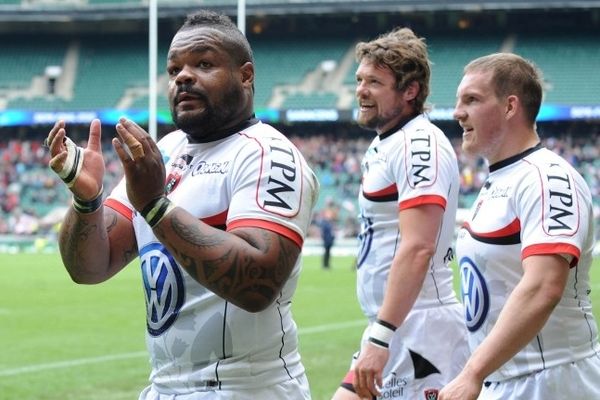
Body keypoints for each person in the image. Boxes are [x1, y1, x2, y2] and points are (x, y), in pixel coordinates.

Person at [45, 10, 318, 400]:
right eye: (174, 70)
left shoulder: (269, 155)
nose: (183, 77)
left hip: (246, 388)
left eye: (203, 64)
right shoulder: (166, 151)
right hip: (166, 387)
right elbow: (89, 268)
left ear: (245, 75)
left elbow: (257, 285)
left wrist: (156, 207)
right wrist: (86, 200)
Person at [439, 53, 600, 399]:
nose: (457, 112)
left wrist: (472, 373)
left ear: (510, 106)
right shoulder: (500, 179)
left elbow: (544, 286)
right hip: (506, 378)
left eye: (471, 100)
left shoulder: (547, 179)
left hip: (551, 380)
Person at [332, 27, 469, 400]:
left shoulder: (418, 143)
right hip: (394, 326)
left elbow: (419, 246)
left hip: (420, 327)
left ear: (410, 91)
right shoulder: (387, 141)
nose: (360, 89)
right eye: (360, 79)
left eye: (374, 82)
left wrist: (382, 334)